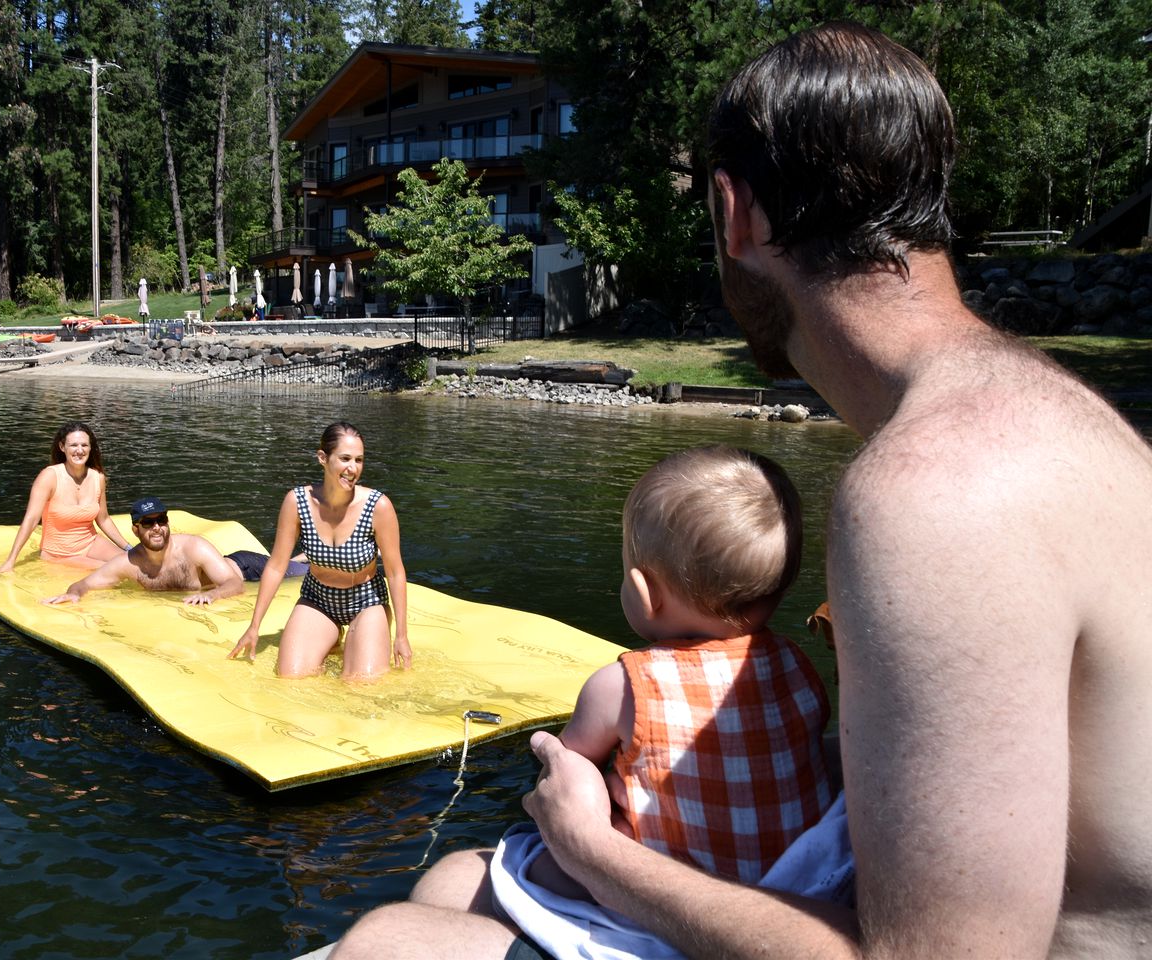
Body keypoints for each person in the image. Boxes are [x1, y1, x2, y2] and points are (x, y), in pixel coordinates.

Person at [333, 20, 1152, 960]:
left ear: (736, 213)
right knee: (451, 879)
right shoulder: (1068, 419)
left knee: (389, 937)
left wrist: (593, 850)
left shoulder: (938, 490)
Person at [510, 446, 838, 914]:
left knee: (525, 860)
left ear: (644, 594)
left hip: (666, 895)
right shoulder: (796, 664)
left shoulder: (620, 687)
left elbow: (568, 771)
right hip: (798, 886)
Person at [229, 421, 411, 681]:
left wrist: (401, 636)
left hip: (366, 602)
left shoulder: (378, 506)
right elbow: (277, 565)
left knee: (359, 684)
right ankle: (332, 637)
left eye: (359, 460)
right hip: (318, 599)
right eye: (345, 458)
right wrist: (254, 626)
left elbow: (394, 572)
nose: (353, 468)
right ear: (323, 458)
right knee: (290, 677)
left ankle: (358, 640)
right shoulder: (297, 502)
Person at [44, 495, 310, 605]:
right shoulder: (128, 563)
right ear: (136, 529)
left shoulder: (193, 546)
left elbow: (233, 583)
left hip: (247, 569)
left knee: (307, 573)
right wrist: (74, 594)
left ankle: (307, 557)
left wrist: (212, 595)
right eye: (148, 523)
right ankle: (301, 556)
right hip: (233, 572)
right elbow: (85, 583)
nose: (157, 527)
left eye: (162, 520)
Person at [0, 421, 131, 573]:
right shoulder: (49, 477)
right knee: (111, 569)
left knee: (133, 563)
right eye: (73, 445)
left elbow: (103, 519)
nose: (79, 450)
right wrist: (10, 561)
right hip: (60, 553)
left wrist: (129, 548)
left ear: (90, 448)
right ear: (62, 447)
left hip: (90, 542)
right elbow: (31, 519)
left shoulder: (97, 477)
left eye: (84, 445)